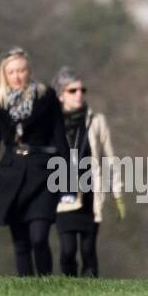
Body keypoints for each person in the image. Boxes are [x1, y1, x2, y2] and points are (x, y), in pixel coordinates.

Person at [0, 47, 65, 276]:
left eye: (21, 70)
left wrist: (68, 179)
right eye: (12, 72)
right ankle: (25, 290)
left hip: (43, 172)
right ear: (4, 75)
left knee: (39, 236)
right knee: (20, 242)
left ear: (29, 71)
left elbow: (60, 139)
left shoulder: (45, 97)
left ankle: (46, 283)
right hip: (13, 173)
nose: (17, 76)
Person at [51, 66, 125, 278]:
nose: (79, 94)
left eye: (82, 90)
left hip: (91, 193)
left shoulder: (96, 121)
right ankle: (70, 288)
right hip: (62, 192)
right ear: (60, 95)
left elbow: (111, 157)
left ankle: (91, 292)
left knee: (88, 250)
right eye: (72, 90)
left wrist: (117, 193)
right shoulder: (51, 122)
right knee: (67, 250)